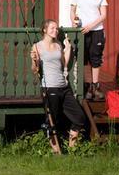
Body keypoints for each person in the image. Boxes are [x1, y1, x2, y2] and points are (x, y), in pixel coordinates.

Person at [30, 19, 87, 148]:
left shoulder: (58, 45)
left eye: (56, 28)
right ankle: (56, 152)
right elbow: (35, 70)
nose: (55, 30)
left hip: (64, 87)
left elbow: (64, 64)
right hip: (49, 87)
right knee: (52, 121)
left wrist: (68, 49)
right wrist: (34, 61)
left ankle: (72, 149)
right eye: (52, 28)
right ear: (44, 30)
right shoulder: (37, 46)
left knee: (79, 117)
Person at [70, 0, 108, 100]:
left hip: (97, 30)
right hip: (81, 31)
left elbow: (103, 15)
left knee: (95, 58)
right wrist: (73, 22)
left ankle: (95, 87)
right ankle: (85, 85)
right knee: (82, 57)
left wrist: (90, 26)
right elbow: (72, 11)